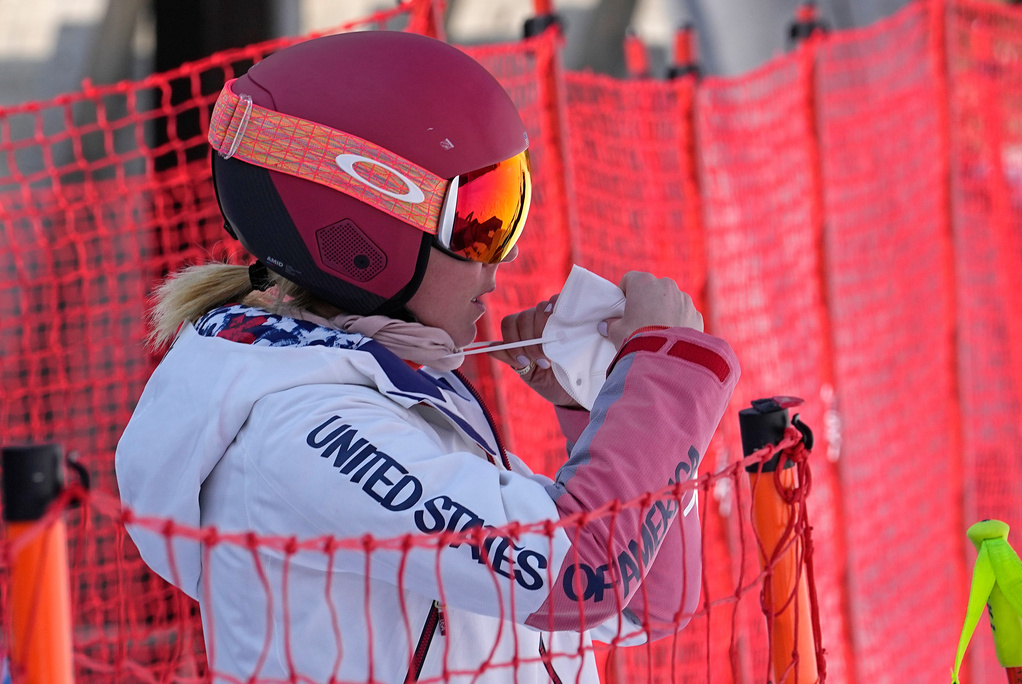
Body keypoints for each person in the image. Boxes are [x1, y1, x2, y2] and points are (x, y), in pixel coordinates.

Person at [115, 30, 739, 684]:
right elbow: (577, 578)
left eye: (511, 205)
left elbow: (648, 602)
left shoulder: (396, 397)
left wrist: (599, 406)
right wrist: (663, 377)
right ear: (364, 234)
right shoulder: (304, 429)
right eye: (481, 218)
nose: (506, 252)